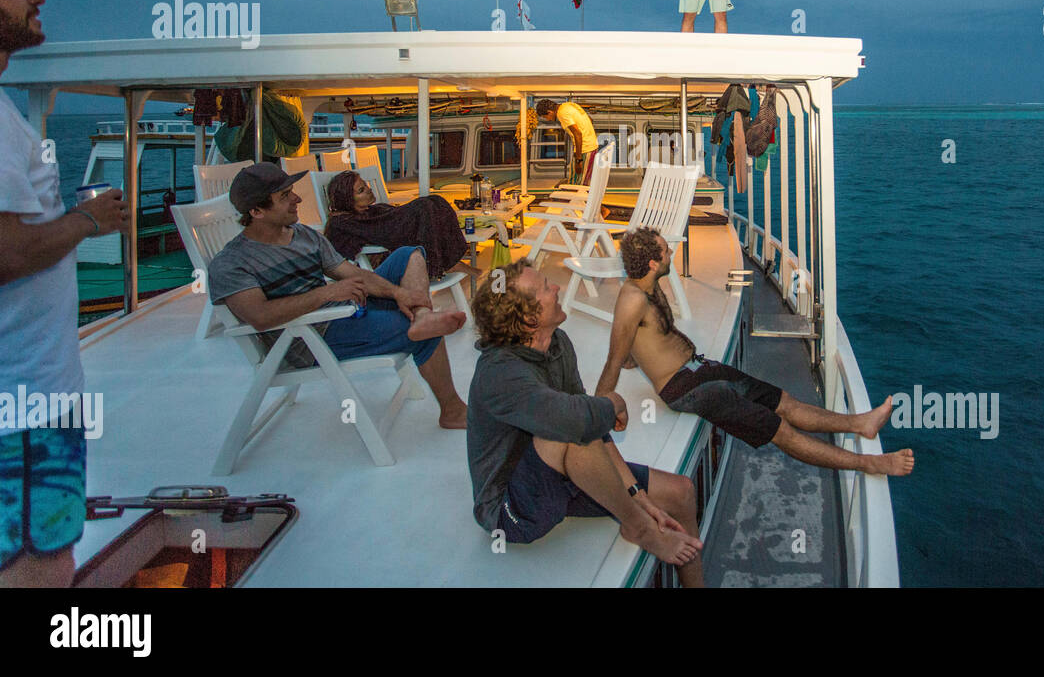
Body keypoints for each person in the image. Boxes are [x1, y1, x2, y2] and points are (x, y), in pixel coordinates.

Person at [0, 0, 130, 587]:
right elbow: (5, 253)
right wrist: (90, 220)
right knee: (39, 560)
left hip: (30, 395)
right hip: (22, 404)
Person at [598, 227, 915, 477]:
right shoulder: (633, 300)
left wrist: (635, 355)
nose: (671, 253)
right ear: (653, 263)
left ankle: (860, 423)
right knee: (782, 432)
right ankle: (873, 464)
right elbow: (614, 357)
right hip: (686, 388)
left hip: (699, 370)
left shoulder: (647, 287)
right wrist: (601, 412)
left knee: (785, 403)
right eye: (666, 251)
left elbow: (633, 347)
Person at [466, 261, 705, 585]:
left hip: (564, 470)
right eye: (546, 287)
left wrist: (636, 493)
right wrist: (614, 402)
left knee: (681, 492)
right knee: (570, 429)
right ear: (528, 317)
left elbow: (589, 421)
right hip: (511, 508)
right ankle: (638, 528)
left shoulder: (558, 343)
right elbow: (577, 421)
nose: (557, 288)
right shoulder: (499, 374)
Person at [207, 162, 469, 428]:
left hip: (342, 311)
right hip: (307, 337)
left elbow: (347, 272)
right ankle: (452, 412)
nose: (297, 199)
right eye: (285, 196)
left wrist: (398, 293)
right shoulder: (232, 263)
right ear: (256, 211)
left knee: (409, 253)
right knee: (424, 333)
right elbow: (261, 317)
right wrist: (327, 293)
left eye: (291, 191)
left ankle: (422, 316)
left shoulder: (303, 235)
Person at [323, 169, 468, 277]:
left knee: (436, 201)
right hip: (389, 248)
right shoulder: (345, 222)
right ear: (348, 200)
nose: (369, 190)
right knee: (424, 206)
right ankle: (438, 265)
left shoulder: (373, 211)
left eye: (366, 186)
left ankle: (449, 262)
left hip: (390, 233)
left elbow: (388, 219)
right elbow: (378, 233)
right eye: (361, 190)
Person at [535, 99, 598, 186]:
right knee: (583, 181)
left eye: (546, 117)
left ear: (550, 112)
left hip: (585, 149)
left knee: (577, 183)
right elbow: (590, 120)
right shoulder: (568, 105)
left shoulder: (562, 114)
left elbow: (578, 134)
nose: (548, 120)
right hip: (591, 146)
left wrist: (578, 160)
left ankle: (578, 199)